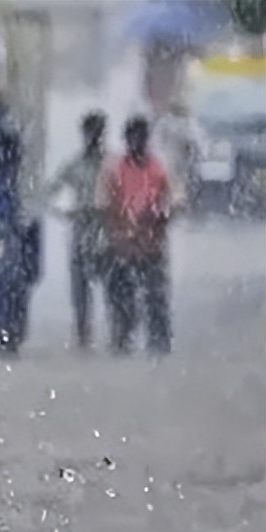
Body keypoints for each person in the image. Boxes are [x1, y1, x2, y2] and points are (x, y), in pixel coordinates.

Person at [97, 115, 173, 355]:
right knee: (121, 297)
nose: (137, 142)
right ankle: (122, 339)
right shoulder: (115, 170)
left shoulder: (158, 169)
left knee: (156, 297)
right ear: (127, 140)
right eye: (133, 138)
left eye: (141, 137)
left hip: (151, 244)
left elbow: (171, 200)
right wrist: (118, 232)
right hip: (122, 245)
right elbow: (104, 204)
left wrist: (158, 215)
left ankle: (159, 342)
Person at [45, 111, 109, 349]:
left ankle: (118, 336)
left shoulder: (111, 166)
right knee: (80, 291)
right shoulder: (74, 165)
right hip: (81, 232)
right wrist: (66, 212)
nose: (93, 137)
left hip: (107, 234)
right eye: (90, 132)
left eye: (97, 132)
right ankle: (83, 334)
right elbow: (50, 192)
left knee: (114, 290)